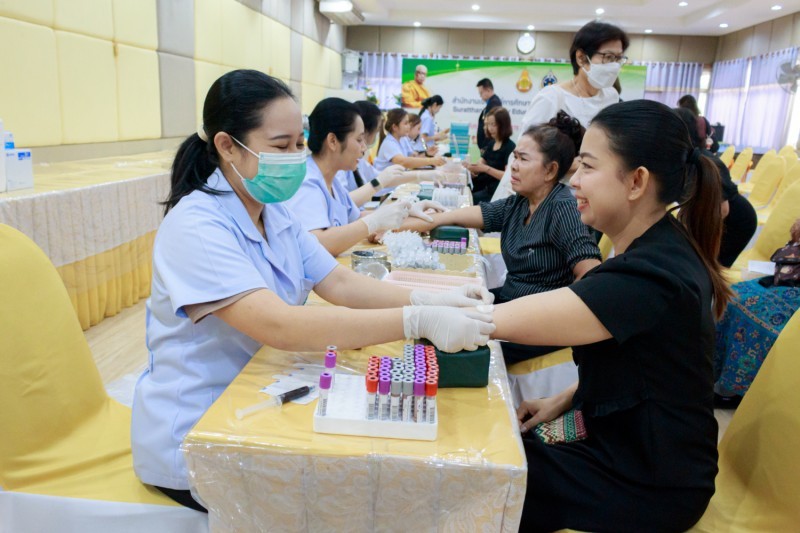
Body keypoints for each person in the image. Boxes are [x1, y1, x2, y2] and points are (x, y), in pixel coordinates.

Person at [130, 70, 495, 511]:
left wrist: (428, 298)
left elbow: (338, 282)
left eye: (299, 144)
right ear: (227, 146)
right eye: (281, 146)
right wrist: (414, 320)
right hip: (198, 431)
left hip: (262, 392)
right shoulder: (195, 226)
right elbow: (280, 325)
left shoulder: (272, 211)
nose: (295, 158)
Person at [489, 99, 731, 531]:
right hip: (635, 450)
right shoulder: (659, 245)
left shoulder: (650, 275)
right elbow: (647, 368)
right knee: (505, 447)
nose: (575, 181)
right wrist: (565, 398)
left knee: (491, 474)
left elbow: (493, 322)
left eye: (587, 167)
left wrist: (412, 313)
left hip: (648, 482)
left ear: (637, 181)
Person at [403, 111, 601, 362]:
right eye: (515, 157)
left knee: (442, 343)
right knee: (436, 310)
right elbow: (477, 214)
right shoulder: (521, 202)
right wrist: (423, 220)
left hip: (536, 325)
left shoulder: (562, 208)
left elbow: (591, 273)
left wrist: (558, 319)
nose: (513, 166)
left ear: (550, 171)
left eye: (523, 159)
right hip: (509, 302)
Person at [284, 98, 445, 257]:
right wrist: (374, 222)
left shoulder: (332, 183)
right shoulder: (307, 182)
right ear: (333, 141)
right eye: (359, 140)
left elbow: (355, 217)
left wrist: (405, 211)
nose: (363, 148)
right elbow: (319, 243)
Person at [492, 20, 629, 201]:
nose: (614, 65)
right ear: (581, 58)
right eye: (608, 57)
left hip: (594, 196)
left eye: (618, 58)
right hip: (550, 198)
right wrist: (579, 164)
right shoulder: (552, 97)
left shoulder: (611, 96)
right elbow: (525, 154)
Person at [714, 217, 800, 408]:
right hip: (790, 277)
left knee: (760, 319)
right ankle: (714, 372)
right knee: (734, 295)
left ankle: (737, 389)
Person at [674, 106, 757, 267]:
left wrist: (693, 232)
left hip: (734, 222)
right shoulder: (681, 159)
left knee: (710, 267)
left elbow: (722, 210)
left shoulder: (705, 162)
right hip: (712, 217)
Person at [464, 106, 516, 203]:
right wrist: (471, 167)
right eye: (488, 124)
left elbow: (507, 176)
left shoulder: (510, 147)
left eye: (493, 124)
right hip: (485, 188)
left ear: (503, 125)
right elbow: (481, 162)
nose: (490, 128)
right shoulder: (492, 143)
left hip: (497, 194)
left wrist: (486, 169)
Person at [374, 108, 445, 171]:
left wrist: (426, 154)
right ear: (395, 127)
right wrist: (431, 161)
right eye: (406, 123)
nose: (409, 126)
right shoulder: (389, 143)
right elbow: (403, 162)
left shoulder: (402, 139)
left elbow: (412, 158)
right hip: (388, 182)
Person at [476, 78, 503, 149]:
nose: (480, 96)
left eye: (481, 93)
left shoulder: (494, 103)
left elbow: (491, 127)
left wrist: (486, 146)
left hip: (488, 146)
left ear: (488, 90)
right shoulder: (491, 103)